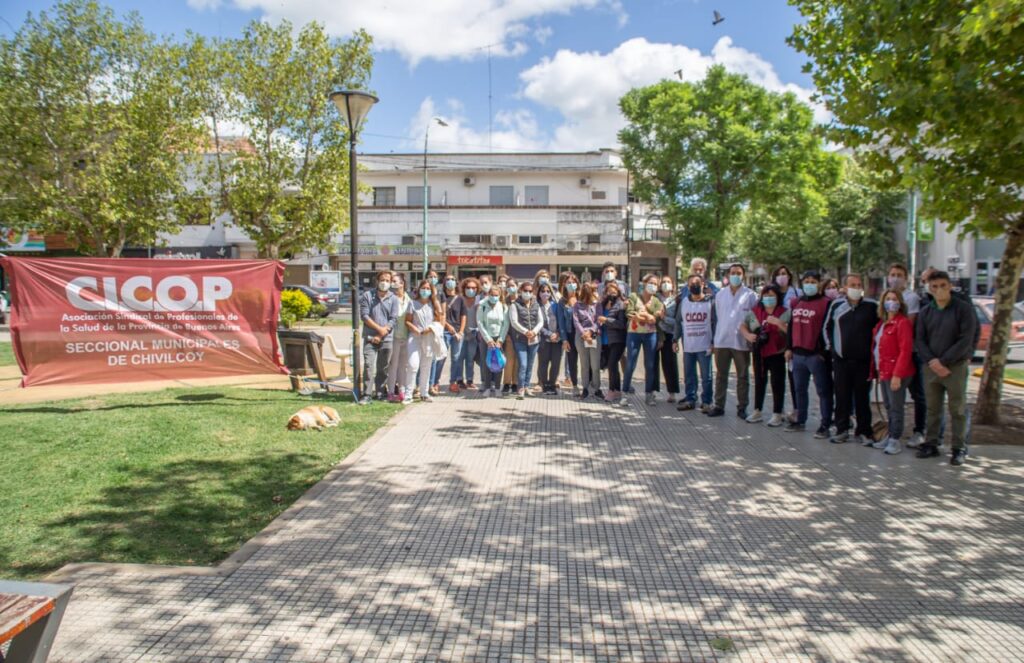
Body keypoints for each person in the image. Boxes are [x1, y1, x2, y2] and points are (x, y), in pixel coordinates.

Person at [915, 270, 977, 465]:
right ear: (929, 289)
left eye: (943, 285)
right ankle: (931, 443)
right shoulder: (926, 311)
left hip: (954, 367)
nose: (939, 290)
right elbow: (920, 340)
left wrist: (945, 361)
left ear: (950, 286)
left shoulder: (963, 309)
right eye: (934, 287)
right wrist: (933, 361)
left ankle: (959, 447)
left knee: (957, 408)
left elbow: (966, 339)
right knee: (933, 408)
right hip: (931, 367)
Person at [824, 273, 879, 445]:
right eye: (852, 285)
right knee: (841, 397)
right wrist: (833, 350)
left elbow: (879, 331)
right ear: (845, 288)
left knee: (862, 398)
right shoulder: (837, 305)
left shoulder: (871, 306)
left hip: (863, 362)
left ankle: (863, 431)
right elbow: (827, 328)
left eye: (858, 285)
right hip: (841, 361)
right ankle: (842, 429)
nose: (856, 288)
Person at [785, 271, 833, 437]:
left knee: (823, 390)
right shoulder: (796, 302)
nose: (810, 284)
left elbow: (829, 328)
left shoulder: (826, 303)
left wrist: (823, 352)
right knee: (799, 389)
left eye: (813, 281)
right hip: (798, 354)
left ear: (819, 284)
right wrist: (789, 348)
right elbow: (791, 326)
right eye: (807, 281)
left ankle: (825, 424)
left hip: (816, 355)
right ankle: (800, 420)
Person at [708, 263, 757, 418]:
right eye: (733, 273)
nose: (736, 275)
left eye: (739, 273)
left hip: (741, 342)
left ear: (743, 275)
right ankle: (719, 405)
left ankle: (742, 407)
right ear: (728, 275)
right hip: (722, 340)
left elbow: (754, 319)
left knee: (742, 376)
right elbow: (716, 317)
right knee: (721, 375)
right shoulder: (720, 294)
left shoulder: (750, 295)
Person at [871, 289, 916, 455]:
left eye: (894, 299)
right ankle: (889, 435)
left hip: (897, 373)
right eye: (888, 299)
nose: (891, 302)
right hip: (883, 371)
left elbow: (905, 350)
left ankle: (895, 439)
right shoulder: (881, 324)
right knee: (889, 406)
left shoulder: (902, 323)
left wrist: (897, 375)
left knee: (896, 407)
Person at [887, 263, 926, 448]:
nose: (895, 278)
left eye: (899, 274)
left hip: (910, 353)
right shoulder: (887, 297)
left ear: (906, 277)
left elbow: (907, 327)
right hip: (891, 357)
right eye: (893, 274)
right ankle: (892, 431)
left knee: (918, 394)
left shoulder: (912, 298)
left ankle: (920, 430)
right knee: (893, 399)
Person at [740, 283, 790, 426]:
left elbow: (791, 332)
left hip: (777, 352)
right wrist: (748, 335)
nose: (769, 298)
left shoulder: (784, 312)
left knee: (777, 382)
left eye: (772, 296)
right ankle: (757, 410)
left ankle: (777, 413)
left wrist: (779, 323)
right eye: (766, 296)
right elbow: (743, 325)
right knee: (760, 381)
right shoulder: (755, 311)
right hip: (759, 352)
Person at [675, 273, 714, 412]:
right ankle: (690, 398)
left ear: (703, 284)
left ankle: (707, 401)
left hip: (705, 345)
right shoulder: (684, 302)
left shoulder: (710, 302)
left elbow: (715, 322)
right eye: (691, 284)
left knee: (706, 376)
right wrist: (675, 339)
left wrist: (714, 342)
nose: (694, 286)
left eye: (697, 283)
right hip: (689, 346)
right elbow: (679, 323)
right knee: (689, 376)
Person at [623, 273, 665, 406]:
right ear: (644, 283)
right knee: (630, 364)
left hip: (650, 335)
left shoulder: (657, 301)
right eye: (650, 283)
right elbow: (629, 313)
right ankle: (625, 393)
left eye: (655, 284)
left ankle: (649, 394)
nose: (652, 286)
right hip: (634, 334)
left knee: (650, 365)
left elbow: (655, 319)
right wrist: (647, 317)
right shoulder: (634, 297)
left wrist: (642, 316)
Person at [358, 270, 399, 403]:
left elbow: (393, 319)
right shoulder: (367, 296)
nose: (384, 283)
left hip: (387, 339)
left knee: (383, 367)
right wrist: (379, 330)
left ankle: (380, 392)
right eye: (382, 280)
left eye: (387, 280)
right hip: (370, 338)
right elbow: (364, 316)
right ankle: (367, 394)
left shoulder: (393, 298)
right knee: (369, 366)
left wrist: (382, 333)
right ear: (377, 281)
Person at [403, 279, 441, 404]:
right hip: (415, 338)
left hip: (429, 338)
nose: (425, 291)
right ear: (419, 289)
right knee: (413, 365)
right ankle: (409, 394)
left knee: (426, 366)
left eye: (428, 289)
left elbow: (438, 320)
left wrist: (430, 329)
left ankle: (424, 393)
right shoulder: (412, 304)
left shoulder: (433, 304)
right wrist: (414, 329)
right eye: (423, 288)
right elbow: (407, 320)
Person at [509, 281, 543, 400]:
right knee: (523, 364)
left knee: (530, 364)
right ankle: (521, 388)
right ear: (521, 291)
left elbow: (541, 321)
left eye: (530, 291)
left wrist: (534, 332)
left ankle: (527, 386)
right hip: (520, 340)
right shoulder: (514, 305)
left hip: (534, 339)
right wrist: (525, 332)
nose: (528, 293)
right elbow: (514, 322)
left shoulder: (536, 304)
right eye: (525, 291)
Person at [477, 284, 510, 397]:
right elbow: (480, 323)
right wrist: (488, 339)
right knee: (486, 363)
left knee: (498, 362)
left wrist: (500, 339)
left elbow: (506, 324)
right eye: (492, 295)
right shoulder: (482, 305)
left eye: (496, 295)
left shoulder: (503, 306)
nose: (494, 297)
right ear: (488, 294)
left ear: (500, 295)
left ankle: (496, 387)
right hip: (486, 339)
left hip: (499, 338)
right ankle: (487, 387)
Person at [599, 280, 628, 404]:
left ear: (618, 292)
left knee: (611, 364)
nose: (611, 294)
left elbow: (621, 324)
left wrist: (606, 320)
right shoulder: (603, 304)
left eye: (614, 291)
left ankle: (611, 390)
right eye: (609, 291)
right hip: (606, 340)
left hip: (618, 340)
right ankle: (617, 390)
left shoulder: (620, 304)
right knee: (613, 366)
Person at [385, 275, 412, 402]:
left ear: (402, 284)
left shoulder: (408, 299)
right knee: (393, 365)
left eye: (395, 281)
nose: (392, 283)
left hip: (406, 336)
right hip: (393, 336)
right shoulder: (390, 298)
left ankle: (402, 390)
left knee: (403, 366)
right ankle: (390, 391)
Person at [573, 282, 602, 399]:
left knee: (595, 365)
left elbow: (599, 320)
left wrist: (591, 332)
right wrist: (584, 333)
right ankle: (585, 388)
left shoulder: (597, 305)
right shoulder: (577, 305)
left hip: (594, 335)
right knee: (584, 364)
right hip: (581, 337)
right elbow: (576, 321)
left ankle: (596, 388)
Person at [655, 275, 680, 403]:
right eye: (663, 282)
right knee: (653, 363)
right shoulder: (655, 297)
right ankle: (652, 391)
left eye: (668, 282)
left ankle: (672, 392)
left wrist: (664, 318)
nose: (665, 284)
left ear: (673, 284)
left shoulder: (677, 299)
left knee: (670, 363)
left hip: (670, 334)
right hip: (656, 333)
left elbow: (677, 321)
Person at [439, 275, 465, 393]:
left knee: (456, 358)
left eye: (453, 279)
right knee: (441, 357)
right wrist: (447, 326)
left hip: (457, 333)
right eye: (448, 279)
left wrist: (460, 332)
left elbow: (463, 316)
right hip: (444, 331)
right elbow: (439, 315)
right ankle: (435, 382)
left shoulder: (460, 299)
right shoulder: (441, 297)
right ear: (444, 283)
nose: (450, 282)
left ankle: (453, 382)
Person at [452, 277, 479, 391]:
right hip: (461, 334)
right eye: (468, 288)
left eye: (473, 288)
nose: (471, 290)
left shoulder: (479, 301)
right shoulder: (459, 300)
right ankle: (459, 380)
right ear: (464, 288)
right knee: (459, 358)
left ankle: (469, 380)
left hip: (473, 334)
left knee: (470, 358)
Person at [426, 274, 451, 396]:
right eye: (430, 276)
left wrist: (440, 328)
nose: (432, 278)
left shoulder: (440, 295)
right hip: (423, 331)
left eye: (435, 276)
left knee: (434, 360)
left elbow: (443, 313)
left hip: (436, 330)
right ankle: (419, 385)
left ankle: (432, 384)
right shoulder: (421, 293)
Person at [536, 282, 563, 395]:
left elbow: (561, 321)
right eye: (543, 291)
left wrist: (557, 334)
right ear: (539, 293)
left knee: (556, 363)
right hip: (543, 340)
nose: (545, 293)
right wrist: (548, 334)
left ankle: (552, 384)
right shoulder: (536, 305)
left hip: (557, 340)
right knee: (543, 363)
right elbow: (537, 324)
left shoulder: (555, 305)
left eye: (548, 291)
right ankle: (545, 385)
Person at [558, 274, 581, 392]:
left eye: (573, 282)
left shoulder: (583, 298)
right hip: (570, 334)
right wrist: (564, 339)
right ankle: (575, 385)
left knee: (587, 361)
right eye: (568, 283)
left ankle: (589, 386)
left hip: (583, 334)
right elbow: (561, 322)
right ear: (564, 285)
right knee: (572, 361)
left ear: (577, 284)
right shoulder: (562, 301)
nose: (571, 285)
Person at [501, 278, 521, 395]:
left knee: (518, 361)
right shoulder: (504, 301)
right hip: (508, 335)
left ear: (517, 286)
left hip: (521, 335)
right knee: (509, 360)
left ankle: (515, 383)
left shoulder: (522, 300)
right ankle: (507, 383)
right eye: (508, 286)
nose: (511, 288)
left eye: (513, 285)